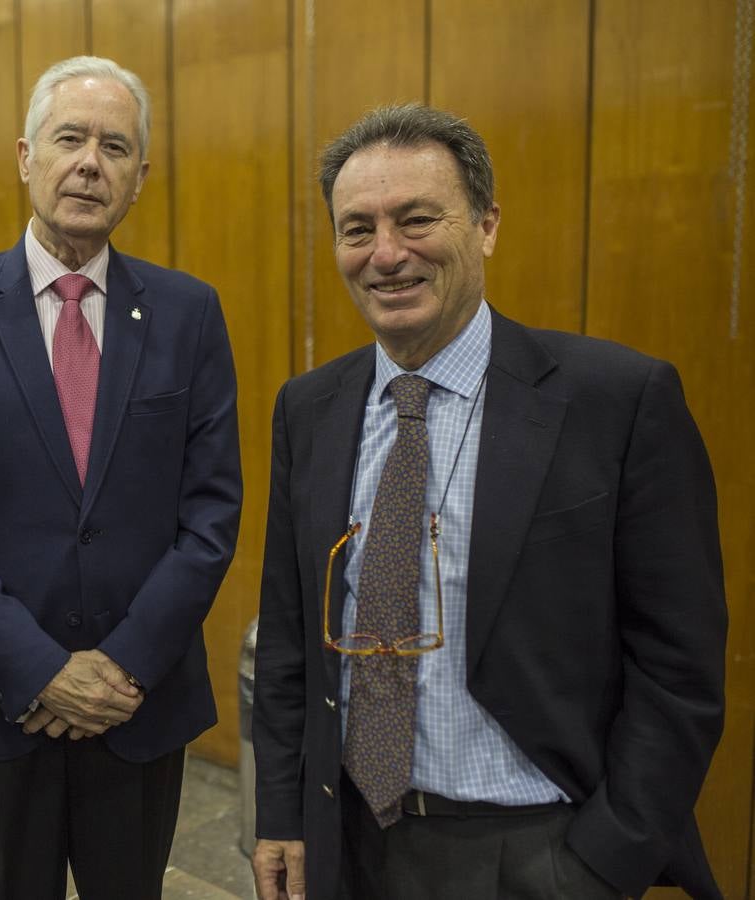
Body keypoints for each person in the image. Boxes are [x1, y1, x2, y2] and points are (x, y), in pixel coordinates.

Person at [251, 104, 726, 900]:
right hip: (352, 846)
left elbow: (679, 667)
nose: (387, 254)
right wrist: (282, 814)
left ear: (487, 225)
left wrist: (604, 860)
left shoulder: (616, 400)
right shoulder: (310, 408)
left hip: (540, 849)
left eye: (416, 219)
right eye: (357, 228)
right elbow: (290, 641)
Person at [0, 55, 243, 900]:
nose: (90, 162)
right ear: (27, 156)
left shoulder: (188, 311)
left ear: (140, 178)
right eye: (70, 139)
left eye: (115, 147)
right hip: (0, 700)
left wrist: (121, 667)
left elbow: (211, 515)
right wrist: (39, 670)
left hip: (139, 702)